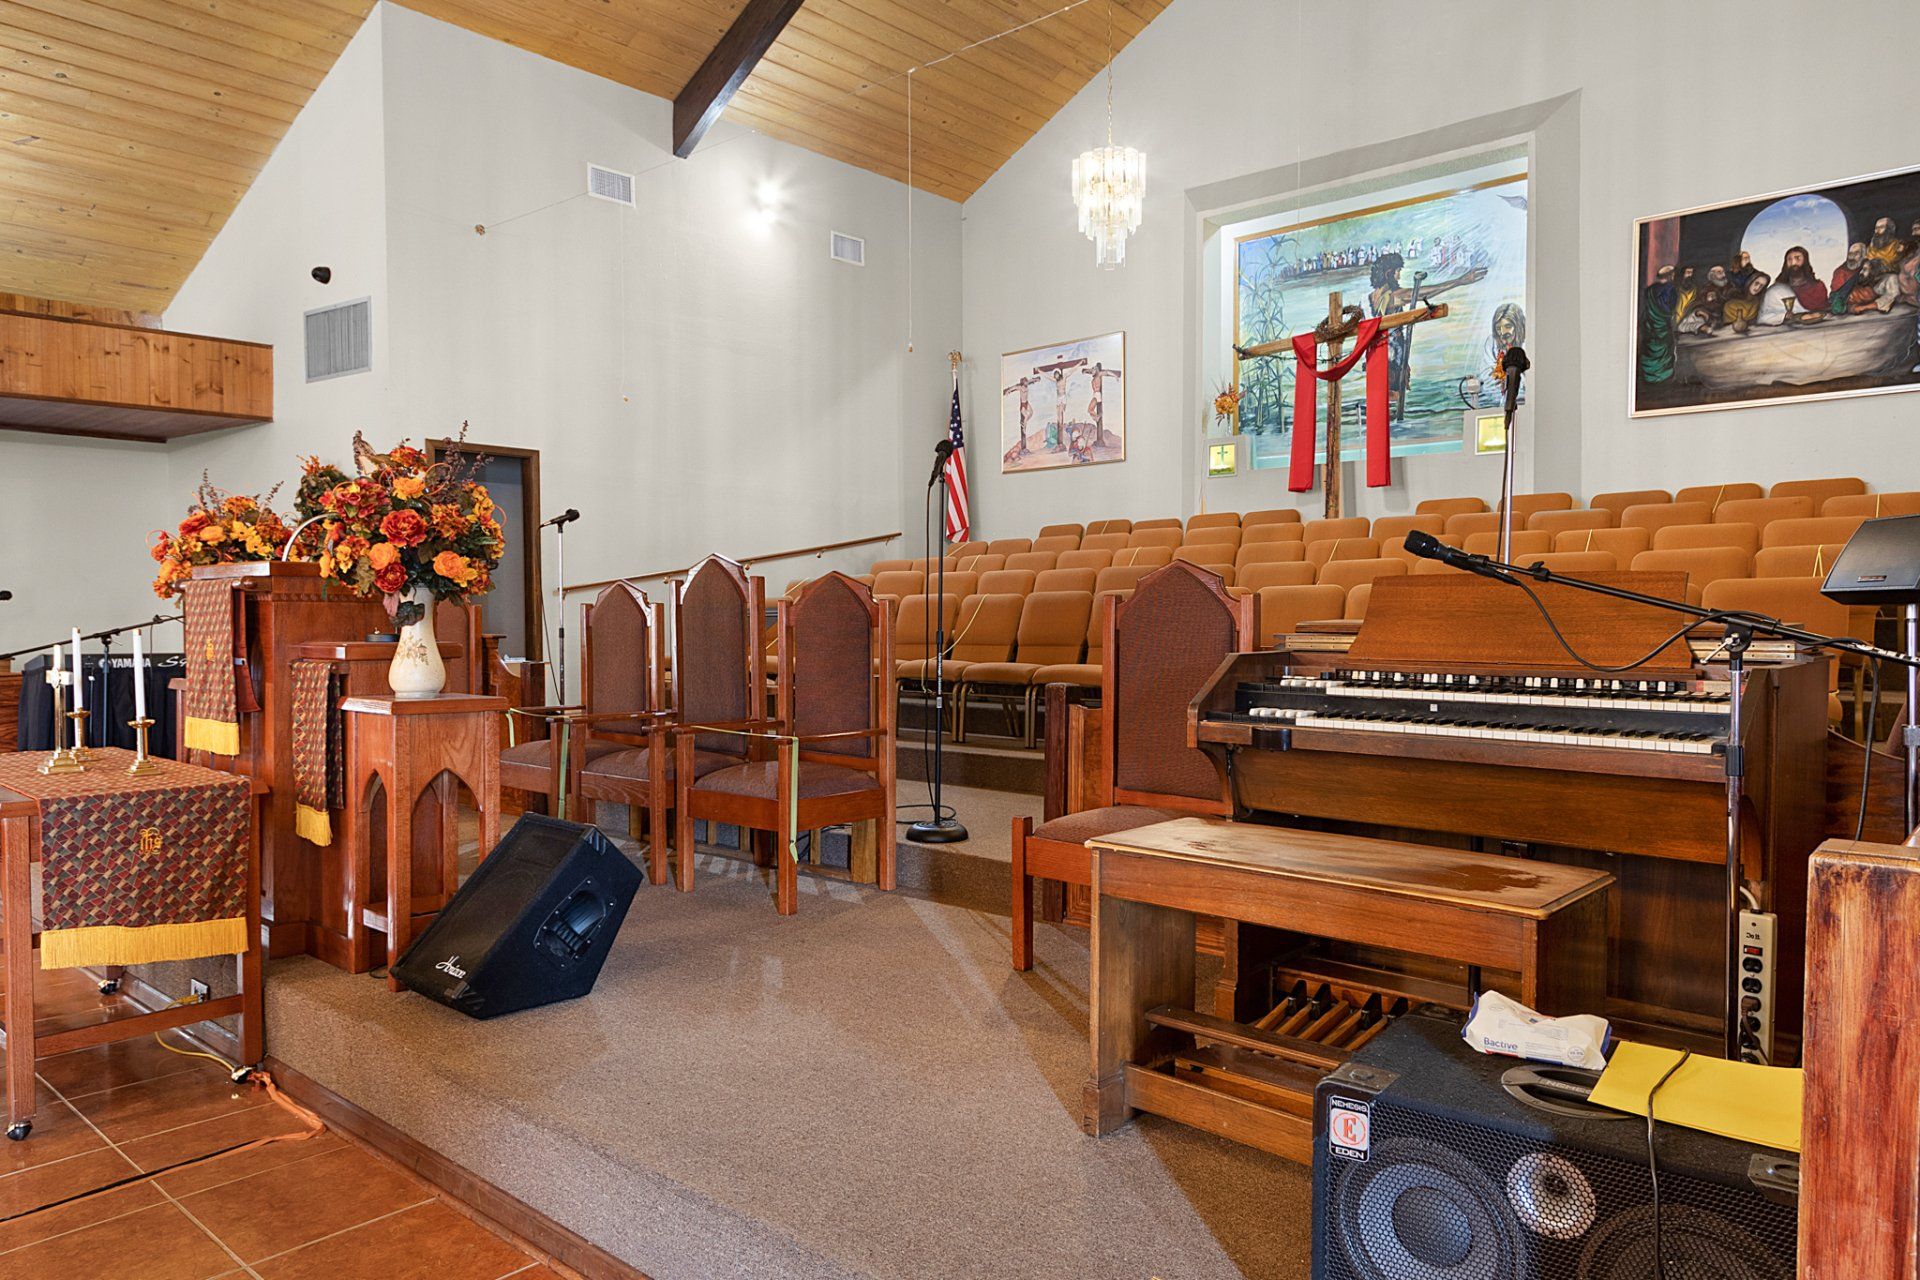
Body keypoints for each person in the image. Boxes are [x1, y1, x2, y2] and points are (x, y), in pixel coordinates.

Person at [1366, 251, 1486, 418]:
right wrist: (1459, 281)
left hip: (1382, 351)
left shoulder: (1373, 296)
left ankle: (1387, 418)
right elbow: (1424, 292)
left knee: (1387, 395)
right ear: (1389, 273)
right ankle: (1391, 421)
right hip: (1392, 352)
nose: (1399, 276)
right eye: (1397, 271)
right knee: (1393, 394)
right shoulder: (1392, 296)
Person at [1830, 242, 1898, 314]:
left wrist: (1863, 307)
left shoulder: (1889, 278)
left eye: (1856, 253)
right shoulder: (1841, 272)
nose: (1852, 257)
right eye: (1850, 254)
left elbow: (1887, 299)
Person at [1639, 265, 1680, 381]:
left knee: (1651, 347)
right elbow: (1670, 308)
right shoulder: (1671, 289)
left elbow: (1645, 309)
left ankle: (1650, 375)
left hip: (1650, 325)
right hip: (1663, 325)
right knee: (1665, 346)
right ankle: (1664, 375)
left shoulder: (1649, 290)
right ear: (1671, 275)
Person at [1777, 246, 1831, 313]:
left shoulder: (1818, 286)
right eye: (1789, 259)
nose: (1793, 263)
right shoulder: (1779, 288)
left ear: (1805, 260)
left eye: (1798, 258)